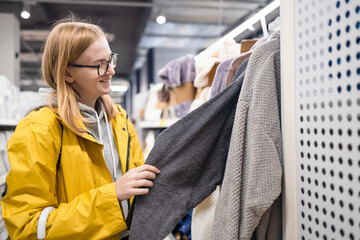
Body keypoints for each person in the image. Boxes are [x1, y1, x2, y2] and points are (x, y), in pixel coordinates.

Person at [1, 16, 160, 239]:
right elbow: (27, 226)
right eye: (100, 65)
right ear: (67, 73)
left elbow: (138, 191)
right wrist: (112, 196)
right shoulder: (38, 130)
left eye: (111, 60)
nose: (111, 71)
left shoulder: (120, 122)